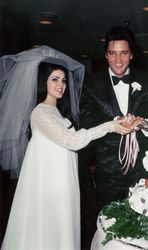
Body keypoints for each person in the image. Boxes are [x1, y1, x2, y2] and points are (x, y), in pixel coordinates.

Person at [0, 53, 132, 249]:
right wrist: (110, 126)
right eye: (54, 79)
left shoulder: (57, 112)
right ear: (42, 82)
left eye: (63, 80)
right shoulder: (40, 113)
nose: (61, 84)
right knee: (49, 231)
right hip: (51, 187)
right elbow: (73, 141)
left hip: (64, 182)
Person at [79, 25, 148, 212]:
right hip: (107, 172)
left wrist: (145, 124)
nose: (118, 60)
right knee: (109, 222)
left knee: (142, 223)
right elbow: (86, 122)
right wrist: (111, 125)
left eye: (124, 53)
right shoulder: (90, 85)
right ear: (106, 55)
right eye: (112, 54)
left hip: (141, 169)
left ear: (131, 54)